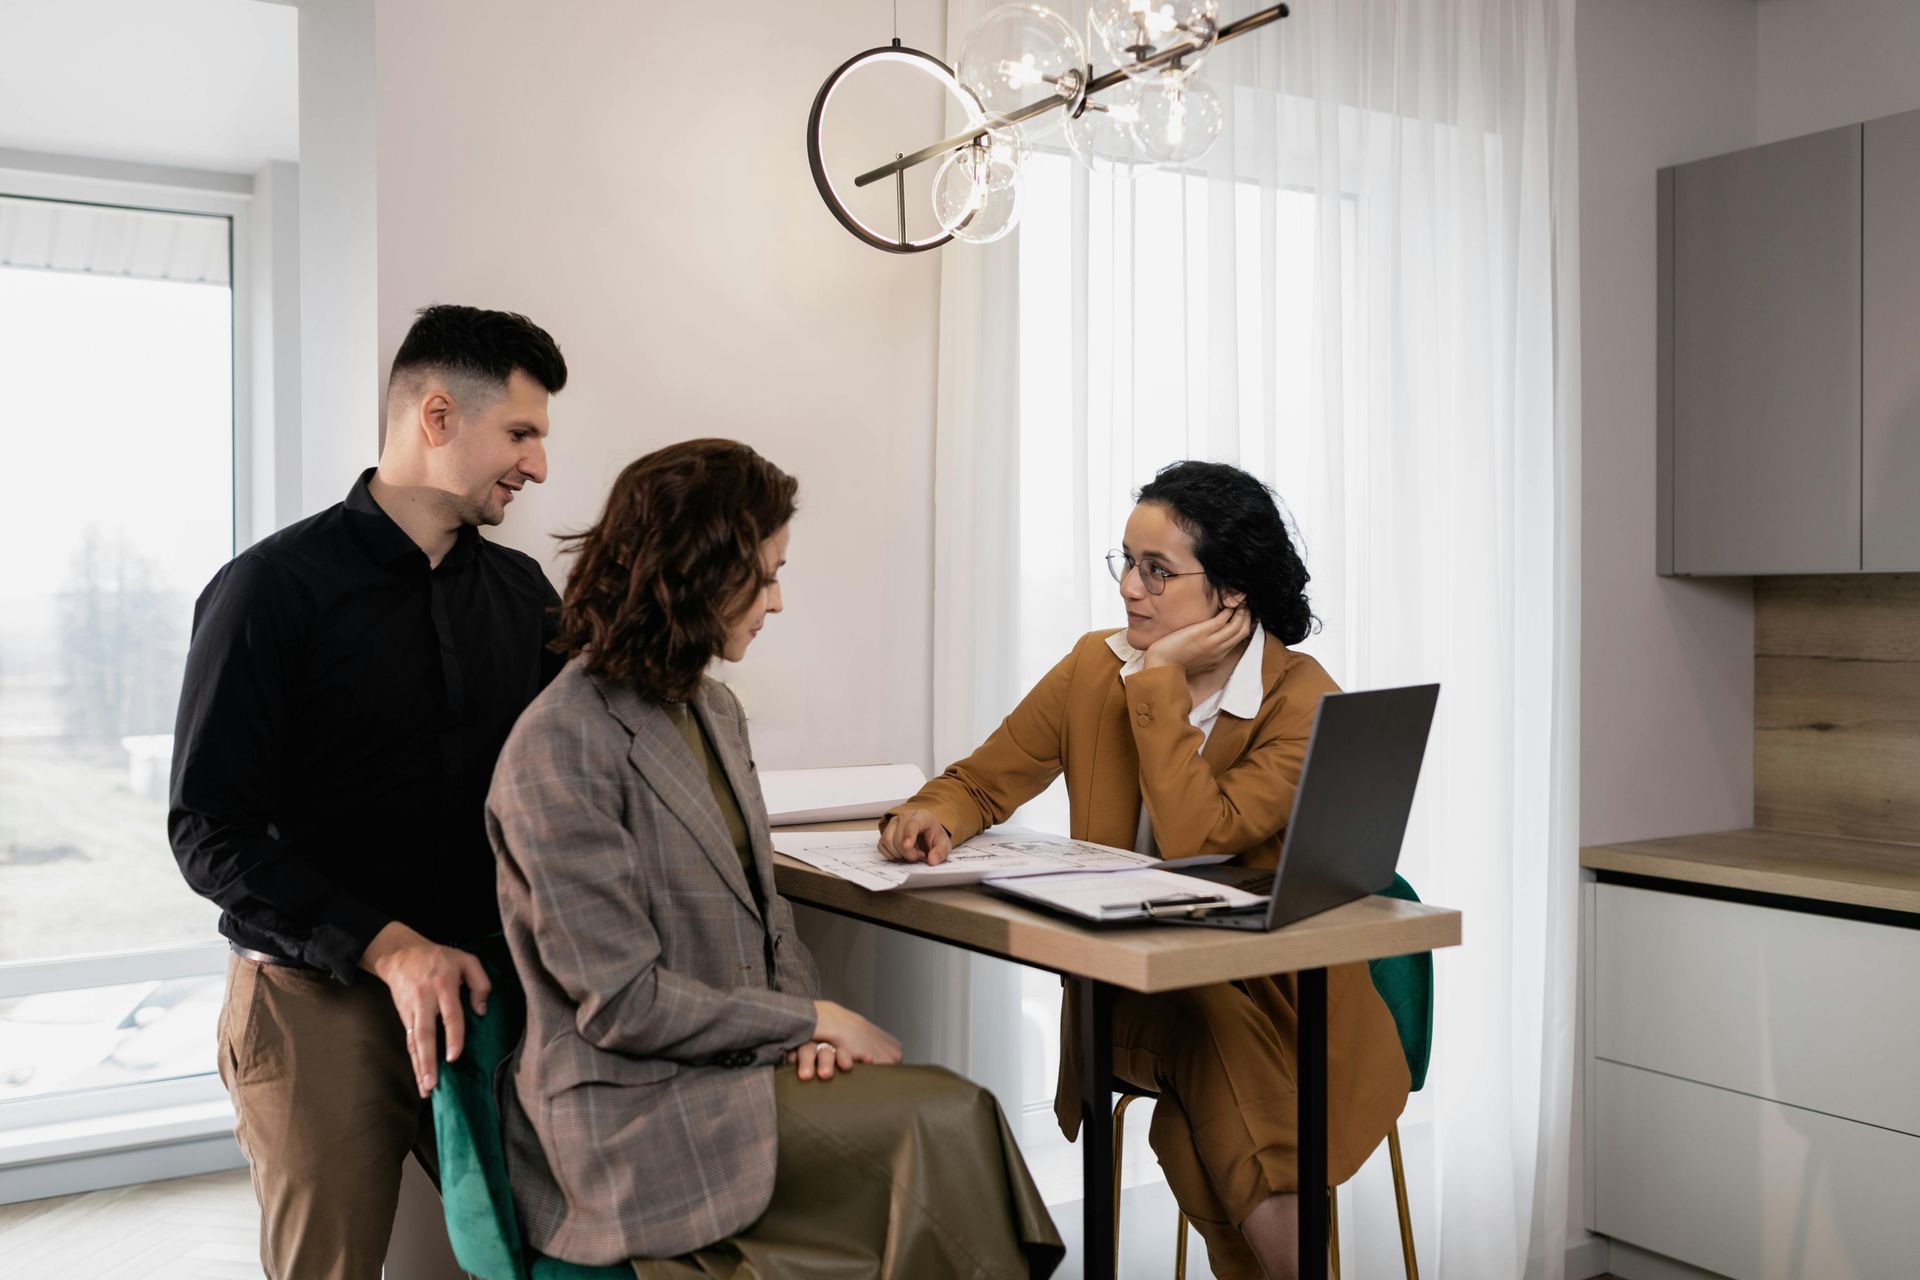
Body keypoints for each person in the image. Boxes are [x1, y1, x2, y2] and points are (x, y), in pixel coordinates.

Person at [486, 439, 1061, 1278]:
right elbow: (619, 1006)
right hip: (630, 1118)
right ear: (701, 573)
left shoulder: (712, 709)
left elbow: (770, 922)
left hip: (734, 1072)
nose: (780, 600)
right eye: (767, 572)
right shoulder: (560, 744)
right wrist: (809, 1021)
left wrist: (801, 1035)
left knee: (949, 1116)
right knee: (943, 1116)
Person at [878, 460, 1410, 1280]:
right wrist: (931, 815)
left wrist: (1157, 684)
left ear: (1230, 594)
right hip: (1127, 999)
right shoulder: (1095, 667)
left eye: (1157, 570)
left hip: (1284, 1011)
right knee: (1204, 1042)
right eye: (1125, 561)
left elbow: (1203, 833)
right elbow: (984, 780)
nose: (1130, 588)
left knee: (1195, 1120)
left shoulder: (1300, 703)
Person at [168, 304, 569, 1279]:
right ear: (438, 416)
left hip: (488, 991)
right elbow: (207, 832)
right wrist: (390, 948)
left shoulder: (527, 599)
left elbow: (569, 791)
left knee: (552, 1254)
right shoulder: (268, 591)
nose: (540, 465)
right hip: (315, 1004)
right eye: (521, 433)